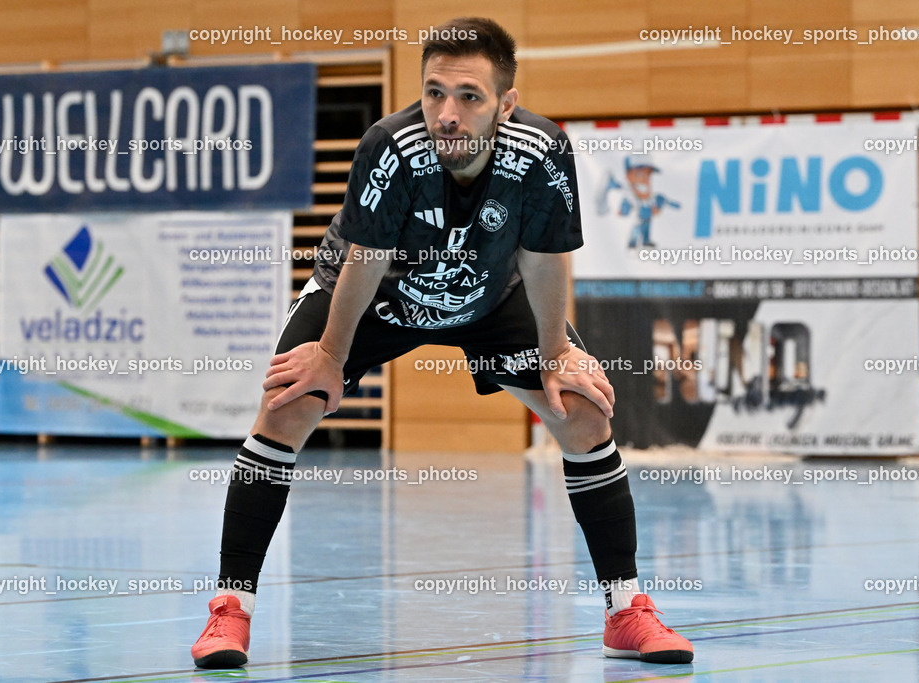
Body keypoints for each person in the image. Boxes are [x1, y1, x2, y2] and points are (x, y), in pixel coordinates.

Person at [191, 16, 693, 668]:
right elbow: (364, 260)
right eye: (433, 93)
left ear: (506, 104)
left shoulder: (540, 152)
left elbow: (543, 261)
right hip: (376, 296)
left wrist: (554, 355)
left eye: (468, 96)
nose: (446, 113)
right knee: (288, 401)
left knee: (583, 410)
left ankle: (625, 611)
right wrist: (332, 359)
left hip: (490, 294)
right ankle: (231, 612)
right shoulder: (391, 147)